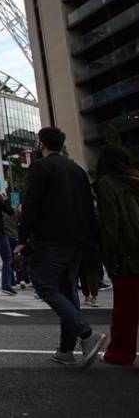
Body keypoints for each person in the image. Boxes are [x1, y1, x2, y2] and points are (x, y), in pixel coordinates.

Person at [18, 127, 107, 368]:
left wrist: (23, 238)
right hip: (77, 239)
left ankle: (87, 334)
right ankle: (66, 349)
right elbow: (89, 206)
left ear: (41, 144)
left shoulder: (40, 167)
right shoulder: (77, 170)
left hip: (51, 237)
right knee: (67, 289)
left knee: (44, 284)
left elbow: (32, 203)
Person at [93, 144, 139, 366]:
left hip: (127, 254)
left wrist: (108, 255)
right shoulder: (134, 181)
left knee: (125, 308)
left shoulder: (107, 184)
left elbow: (111, 226)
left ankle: (120, 352)